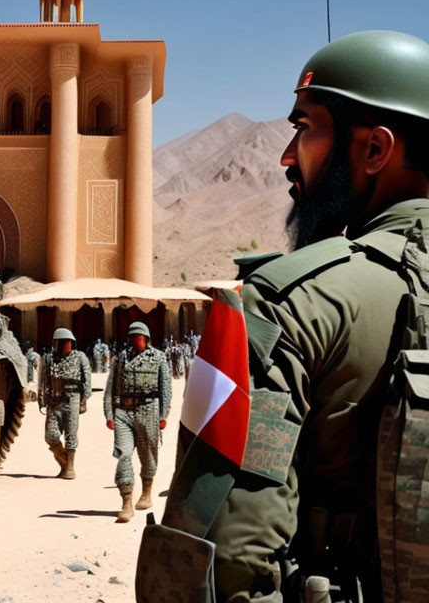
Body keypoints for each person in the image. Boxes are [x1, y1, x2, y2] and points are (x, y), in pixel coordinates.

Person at [136, 31, 429, 602]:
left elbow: (224, 561)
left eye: (305, 127)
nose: (287, 156)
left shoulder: (286, 304)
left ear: (374, 150)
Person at [104, 321, 171, 523]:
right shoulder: (120, 359)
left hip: (148, 410)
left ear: (147, 339)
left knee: (148, 454)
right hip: (123, 411)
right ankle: (126, 501)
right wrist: (109, 413)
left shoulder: (159, 358)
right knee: (124, 454)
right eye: (132, 337)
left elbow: (165, 388)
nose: (135, 341)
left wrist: (162, 416)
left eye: (138, 337)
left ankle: (147, 491)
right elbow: (110, 388)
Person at [38, 327, 91, 479]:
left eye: (64, 342)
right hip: (54, 401)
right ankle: (64, 462)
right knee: (51, 435)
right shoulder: (49, 359)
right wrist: (41, 399)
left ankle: (70, 468)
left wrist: (84, 399)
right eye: (58, 342)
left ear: (71, 343)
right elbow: (43, 380)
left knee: (71, 435)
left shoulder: (80, 357)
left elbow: (87, 379)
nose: (60, 345)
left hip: (72, 399)